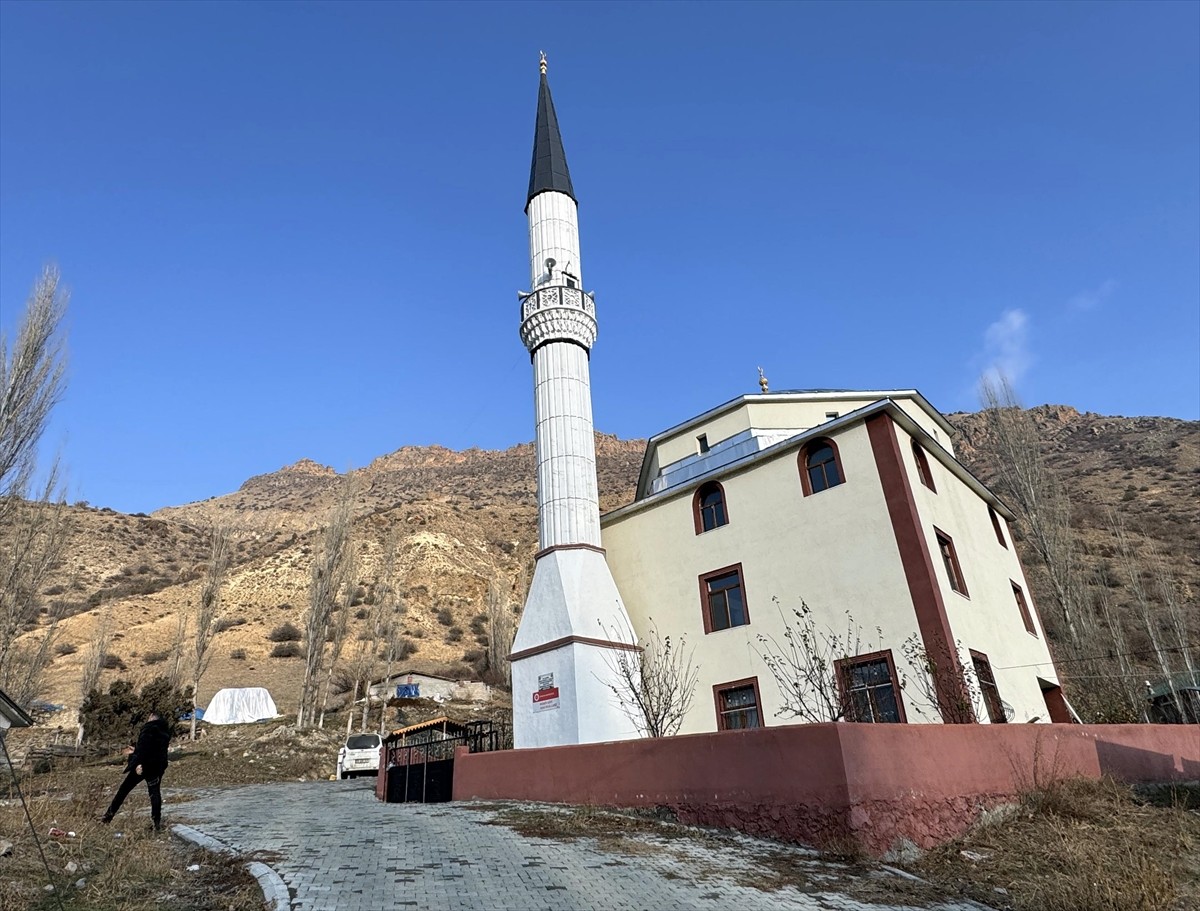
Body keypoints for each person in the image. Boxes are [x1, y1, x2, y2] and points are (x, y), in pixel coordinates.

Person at [101, 710, 171, 830]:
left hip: (143, 766)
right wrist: (137, 750)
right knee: (155, 794)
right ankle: (156, 822)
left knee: (123, 790)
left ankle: (107, 817)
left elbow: (145, 748)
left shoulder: (149, 728)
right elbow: (156, 749)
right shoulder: (165, 731)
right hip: (157, 766)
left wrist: (139, 763)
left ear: (152, 717)